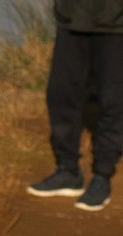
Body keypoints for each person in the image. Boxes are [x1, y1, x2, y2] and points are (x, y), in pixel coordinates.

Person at [28, 1, 123, 211]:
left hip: (115, 23)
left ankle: (102, 175)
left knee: (112, 98)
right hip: (71, 17)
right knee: (60, 93)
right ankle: (68, 171)